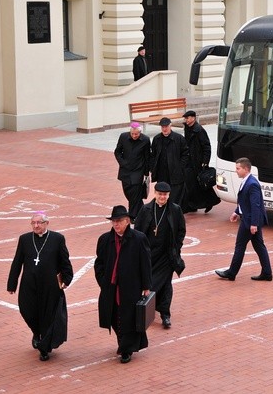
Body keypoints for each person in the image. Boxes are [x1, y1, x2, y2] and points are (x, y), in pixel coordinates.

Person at [7, 212, 73, 362]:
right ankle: (36, 333)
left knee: (48, 315)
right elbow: (17, 262)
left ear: (46, 223)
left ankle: (44, 347)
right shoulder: (25, 239)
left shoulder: (57, 239)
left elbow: (64, 261)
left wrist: (67, 279)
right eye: (33, 223)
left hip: (50, 286)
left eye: (39, 223)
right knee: (27, 310)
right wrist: (12, 284)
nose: (36, 226)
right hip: (29, 285)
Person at [94, 205, 152, 364]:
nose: (116, 224)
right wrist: (103, 281)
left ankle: (126, 349)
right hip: (111, 288)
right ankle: (123, 343)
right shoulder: (105, 239)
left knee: (128, 317)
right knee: (113, 315)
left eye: (119, 221)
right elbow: (99, 263)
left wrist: (146, 286)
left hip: (131, 287)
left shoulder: (139, 239)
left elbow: (145, 264)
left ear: (127, 221)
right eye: (113, 221)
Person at [134, 182, 186, 329]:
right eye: (160, 194)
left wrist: (177, 247)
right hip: (149, 255)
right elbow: (137, 231)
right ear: (155, 194)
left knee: (165, 284)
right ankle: (145, 310)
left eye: (165, 195)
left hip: (166, 255)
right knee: (148, 283)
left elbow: (181, 230)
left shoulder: (175, 210)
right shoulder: (146, 209)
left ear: (169, 195)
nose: (162, 197)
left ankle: (165, 314)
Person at [215, 157, 273, 282]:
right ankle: (267, 273)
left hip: (249, 221)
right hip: (249, 219)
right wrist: (237, 212)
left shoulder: (252, 184)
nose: (236, 171)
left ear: (246, 169)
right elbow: (244, 202)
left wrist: (254, 224)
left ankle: (231, 272)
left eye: (238, 168)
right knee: (259, 246)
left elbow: (255, 205)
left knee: (240, 246)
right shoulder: (247, 181)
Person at [181, 110, 221, 213]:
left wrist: (205, 162)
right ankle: (192, 205)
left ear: (193, 118)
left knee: (201, 183)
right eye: (185, 118)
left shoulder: (199, 130)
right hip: (190, 161)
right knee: (191, 183)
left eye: (187, 118)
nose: (186, 120)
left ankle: (210, 201)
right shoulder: (188, 128)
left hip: (198, 162)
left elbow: (206, 146)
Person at [114, 121, 151, 221]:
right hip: (125, 170)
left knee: (135, 193)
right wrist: (122, 163)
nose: (135, 136)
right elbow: (117, 152)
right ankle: (144, 212)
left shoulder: (145, 140)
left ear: (140, 133)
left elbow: (147, 157)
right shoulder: (123, 137)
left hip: (138, 170)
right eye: (133, 134)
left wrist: (146, 173)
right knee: (128, 193)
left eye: (137, 134)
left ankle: (133, 216)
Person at [150, 117, 189, 206]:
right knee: (162, 196)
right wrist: (153, 168)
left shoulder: (179, 138)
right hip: (161, 174)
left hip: (176, 174)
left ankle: (174, 216)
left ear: (170, 126)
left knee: (175, 198)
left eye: (166, 126)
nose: (164, 129)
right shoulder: (157, 139)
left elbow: (186, 154)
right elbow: (153, 155)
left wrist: (180, 167)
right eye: (162, 127)